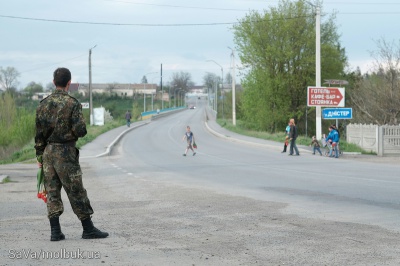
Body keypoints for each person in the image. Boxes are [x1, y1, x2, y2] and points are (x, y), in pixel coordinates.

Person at [35, 67, 108, 241]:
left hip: (48, 153)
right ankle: (88, 229)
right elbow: (81, 130)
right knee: (76, 190)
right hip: (66, 152)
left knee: (52, 191)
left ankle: (55, 232)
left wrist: (40, 156)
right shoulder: (73, 103)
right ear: (69, 83)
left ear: (54, 82)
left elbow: (39, 134)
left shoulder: (43, 104)